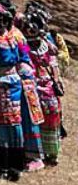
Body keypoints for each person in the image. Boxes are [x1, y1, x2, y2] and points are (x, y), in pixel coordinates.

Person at [0, 0, 44, 180]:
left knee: (10, 122)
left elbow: (24, 57)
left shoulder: (4, 39)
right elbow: (24, 55)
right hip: (11, 82)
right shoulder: (12, 36)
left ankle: (13, 160)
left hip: (11, 84)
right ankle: (3, 157)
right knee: (7, 122)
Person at [20, 11, 63, 166]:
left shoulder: (39, 46)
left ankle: (47, 152)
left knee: (47, 118)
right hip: (36, 87)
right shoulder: (29, 46)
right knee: (39, 120)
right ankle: (42, 153)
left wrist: (55, 81)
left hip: (42, 87)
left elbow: (53, 63)